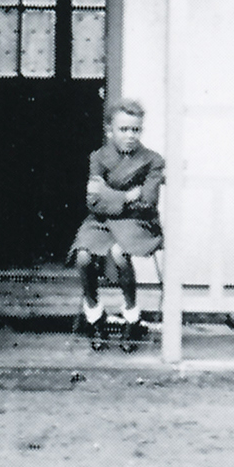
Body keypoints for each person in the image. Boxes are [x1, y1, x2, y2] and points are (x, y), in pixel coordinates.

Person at [70, 99, 164, 352]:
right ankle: (94, 315)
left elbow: (148, 202)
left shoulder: (153, 160)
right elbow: (93, 202)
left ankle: (132, 316)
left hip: (138, 223)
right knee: (82, 256)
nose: (131, 136)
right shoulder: (98, 158)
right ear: (109, 130)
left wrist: (110, 195)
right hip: (101, 221)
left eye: (136, 130)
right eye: (124, 130)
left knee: (118, 253)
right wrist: (126, 196)